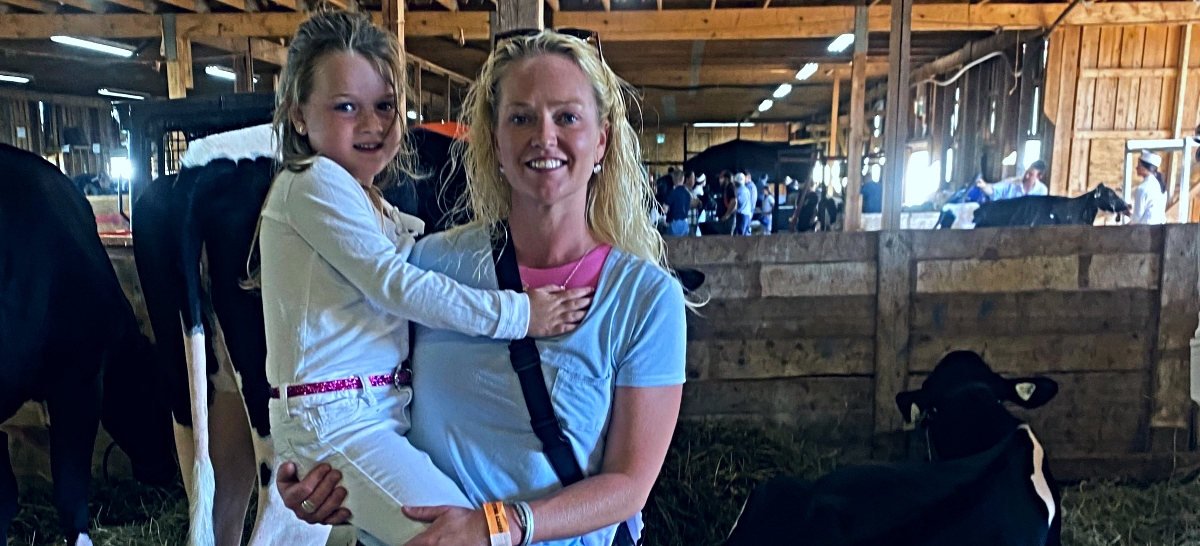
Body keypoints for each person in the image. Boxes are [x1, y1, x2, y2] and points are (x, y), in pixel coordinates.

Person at [277, 27, 688, 546]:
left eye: (567, 117)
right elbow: (360, 394)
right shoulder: (427, 265)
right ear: (494, 140)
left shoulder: (645, 300)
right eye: (521, 117)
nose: (544, 136)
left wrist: (498, 527)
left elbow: (628, 485)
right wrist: (326, 479)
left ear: (601, 138)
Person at [975, 160, 1049, 200]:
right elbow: (994, 191)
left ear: (1039, 177)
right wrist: (983, 185)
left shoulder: (1042, 190)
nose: (1026, 176)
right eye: (1027, 172)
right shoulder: (1011, 183)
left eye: (1031, 174)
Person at [1131, 150, 1167, 225]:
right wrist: (1128, 214)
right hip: (1159, 228)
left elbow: (1137, 218)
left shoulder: (1142, 188)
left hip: (1146, 231)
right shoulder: (1158, 184)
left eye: (1139, 165)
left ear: (1145, 168)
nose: (1136, 167)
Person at [664, 170, 693, 236]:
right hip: (685, 224)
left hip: (674, 223)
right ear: (683, 179)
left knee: (672, 245)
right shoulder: (687, 194)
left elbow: (665, 209)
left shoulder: (672, 193)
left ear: (673, 179)